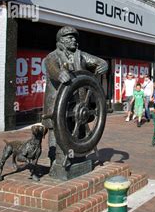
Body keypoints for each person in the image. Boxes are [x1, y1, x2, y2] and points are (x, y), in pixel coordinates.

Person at [42, 26, 108, 171]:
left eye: (74, 38)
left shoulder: (81, 55)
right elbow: (52, 68)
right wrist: (60, 74)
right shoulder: (52, 56)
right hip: (57, 103)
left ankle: (79, 156)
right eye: (69, 37)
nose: (73, 40)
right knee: (57, 130)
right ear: (61, 40)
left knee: (77, 130)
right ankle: (57, 160)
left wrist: (104, 65)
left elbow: (100, 62)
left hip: (78, 104)